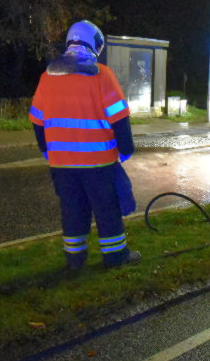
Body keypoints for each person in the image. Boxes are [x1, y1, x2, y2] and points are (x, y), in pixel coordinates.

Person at [29, 20, 140, 271]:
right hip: (98, 162)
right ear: (93, 44)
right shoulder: (101, 75)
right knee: (106, 211)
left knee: (72, 211)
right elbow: (119, 118)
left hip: (61, 165)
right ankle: (115, 257)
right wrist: (126, 150)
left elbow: (37, 120)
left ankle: (75, 261)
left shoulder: (47, 77)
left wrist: (47, 152)